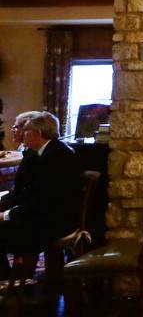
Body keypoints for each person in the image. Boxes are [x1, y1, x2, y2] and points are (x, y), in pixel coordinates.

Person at [0, 111, 82, 276]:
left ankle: (8, 278)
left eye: (26, 131)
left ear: (37, 134)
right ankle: (8, 276)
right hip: (47, 216)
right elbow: (30, 195)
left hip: (55, 223)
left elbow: (41, 202)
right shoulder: (47, 152)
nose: (23, 134)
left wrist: (6, 215)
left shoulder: (54, 157)